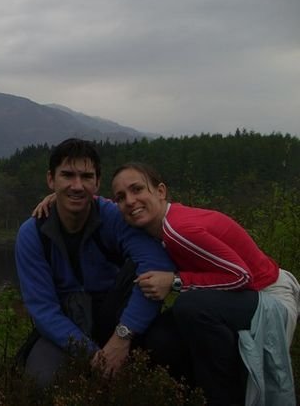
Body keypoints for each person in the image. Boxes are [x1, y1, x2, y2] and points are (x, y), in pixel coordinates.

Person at [34, 161, 299, 405]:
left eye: (137, 189)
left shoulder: (178, 231)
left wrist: (175, 281)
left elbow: (241, 276)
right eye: (121, 197)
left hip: (268, 295)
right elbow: (104, 204)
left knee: (191, 307)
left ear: (160, 191)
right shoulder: (156, 223)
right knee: (159, 337)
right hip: (238, 296)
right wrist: (60, 199)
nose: (130, 201)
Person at [15, 139, 175, 387]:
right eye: (67, 175)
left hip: (117, 316)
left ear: (97, 183)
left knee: (169, 351)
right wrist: (93, 355)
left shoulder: (113, 216)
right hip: (65, 325)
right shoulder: (32, 234)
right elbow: (43, 309)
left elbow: (155, 266)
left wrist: (122, 337)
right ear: (51, 180)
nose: (77, 185)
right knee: (40, 381)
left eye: (86, 176)